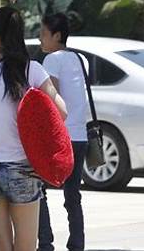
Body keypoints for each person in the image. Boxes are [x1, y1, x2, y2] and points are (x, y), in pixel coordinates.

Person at [0, 7, 68, 251]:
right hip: (24, 167)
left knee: (2, 245)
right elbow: (61, 112)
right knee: (26, 245)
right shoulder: (32, 70)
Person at [38, 13, 88, 251]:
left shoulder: (52, 60)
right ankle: (77, 243)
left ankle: (45, 243)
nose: (40, 40)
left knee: (39, 189)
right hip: (81, 136)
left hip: (61, 137)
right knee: (73, 194)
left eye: (43, 34)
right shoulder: (80, 58)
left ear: (57, 35)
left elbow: (53, 101)